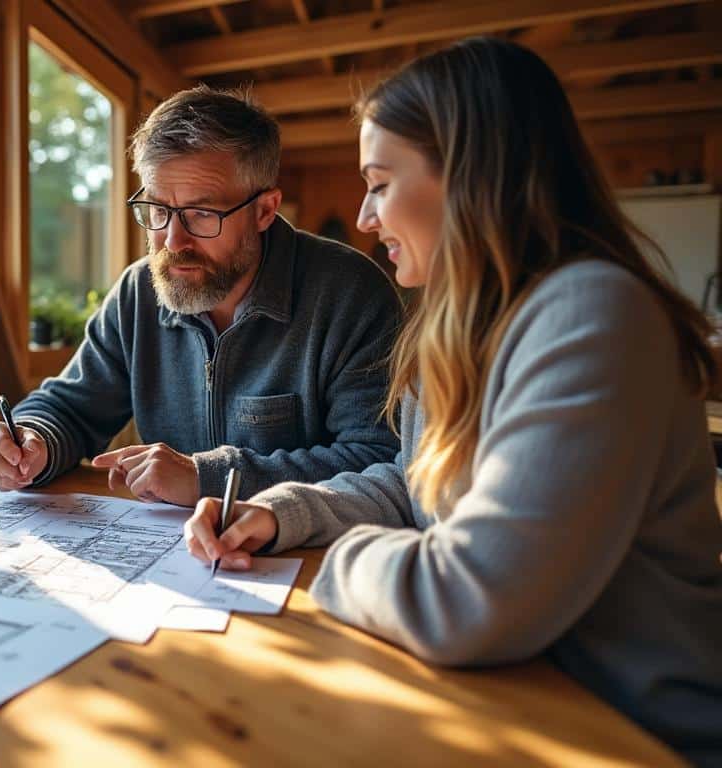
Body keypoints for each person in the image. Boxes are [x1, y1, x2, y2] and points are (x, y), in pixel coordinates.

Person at [183, 38, 722, 764]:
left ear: (470, 178)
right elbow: (414, 485)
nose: (366, 218)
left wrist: (335, 562)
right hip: (512, 703)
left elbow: (466, 602)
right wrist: (281, 514)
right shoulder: (461, 328)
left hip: (635, 734)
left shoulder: (595, 317)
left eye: (379, 182)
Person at [0, 85, 403, 506]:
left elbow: (377, 458)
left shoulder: (350, 294)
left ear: (265, 211)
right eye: (158, 211)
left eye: (202, 213)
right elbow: (70, 408)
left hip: (306, 557)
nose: (172, 241)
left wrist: (208, 477)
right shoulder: (138, 292)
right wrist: (30, 441)